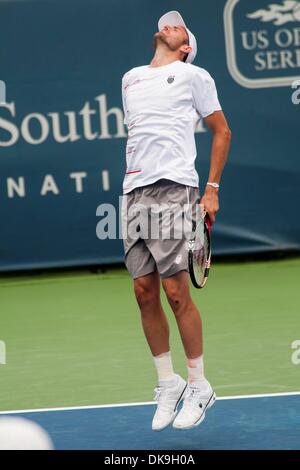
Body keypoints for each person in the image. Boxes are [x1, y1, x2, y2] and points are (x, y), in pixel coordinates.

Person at [121, 10, 231, 431]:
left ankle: (199, 385)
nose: (170, 24)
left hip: (175, 189)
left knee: (175, 290)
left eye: (179, 26)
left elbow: (222, 131)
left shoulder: (194, 76)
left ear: (186, 47)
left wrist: (211, 190)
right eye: (166, 22)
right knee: (144, 291)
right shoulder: (129, 78)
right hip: (134, 192)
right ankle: (168, 383)